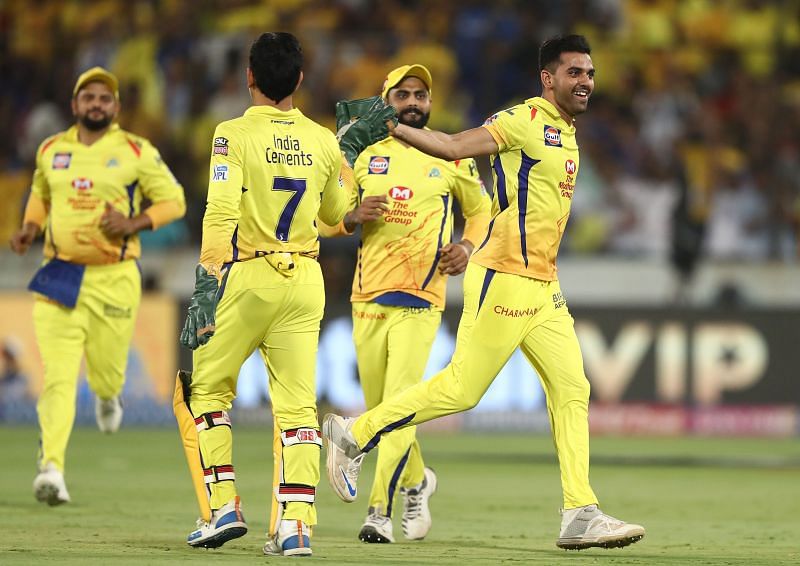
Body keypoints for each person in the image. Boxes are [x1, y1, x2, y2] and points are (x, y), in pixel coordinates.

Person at [323, 35, 646, 551]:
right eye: (574, 73)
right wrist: (393, 126)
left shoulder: (567, 129)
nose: (585, 81)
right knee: (461, 390)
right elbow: (453, 147)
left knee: (573, 389)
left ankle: (579, 512)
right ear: (548, 78)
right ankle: (354, 433)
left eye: (590, 73)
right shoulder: (525, 119)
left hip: (544, 285)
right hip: (504, 276)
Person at [173, 32, 394, 556]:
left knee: (206, 392)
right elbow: (337, 211)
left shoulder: (230, 134)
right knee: (296, 407)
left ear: (248, 77)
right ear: (298, 79)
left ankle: (224, 505)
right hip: (305, 279)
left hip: (248, 276)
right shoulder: (321, 140)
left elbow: (220, 212)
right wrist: (348, 154)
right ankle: (295, 526)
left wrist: (206, 282)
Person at [320, 64, 491, 544]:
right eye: (402, 95)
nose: (413, 101)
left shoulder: (450, 153)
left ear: (430, 103)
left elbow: (482, 211)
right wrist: (352, 214)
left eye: (420, 94)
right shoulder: (363, 152)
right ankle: (418, 481)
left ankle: (379, 512)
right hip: (367, 296)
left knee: (396, 404)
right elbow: (327, 216)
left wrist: (467, 247)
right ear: (385, 101)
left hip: (422, 296)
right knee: (385, 408)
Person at [8, 66, 186, 506]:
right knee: (58, 378)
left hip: (114, 277)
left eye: (105, 98)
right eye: (88, 97)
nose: (96, 104)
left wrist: (134, 221)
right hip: (60, 274)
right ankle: (51, 468)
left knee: (107, 372)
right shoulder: (52, 149)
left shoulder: (135, 151)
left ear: (117, 107)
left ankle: (109, 396)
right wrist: (30, 226)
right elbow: (39, 193)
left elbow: (175, 200)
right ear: (74, 105)